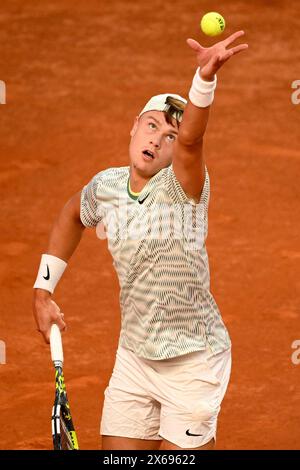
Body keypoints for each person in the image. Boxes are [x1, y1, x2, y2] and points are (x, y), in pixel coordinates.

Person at [33, 31, 248, 450]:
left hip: (194, 363)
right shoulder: (108, 186)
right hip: (134, 355)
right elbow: (71, 215)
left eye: (169, 136)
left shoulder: (183, 184)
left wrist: (204, 80)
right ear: (134, 126)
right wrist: (44, 290)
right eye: (151, 126)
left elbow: (193, 139)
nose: (156, 139)